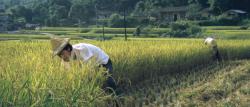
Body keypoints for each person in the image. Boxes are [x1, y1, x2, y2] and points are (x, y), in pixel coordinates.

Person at [50, 37, 117, 92]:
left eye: (62, 54)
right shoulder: (65, 59)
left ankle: (117, 97)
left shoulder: (82, 49)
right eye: (59, 55)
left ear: (68, 49)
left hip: (103, 62)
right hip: (92, 65)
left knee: (108, 81)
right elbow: (66, 74)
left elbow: (89, 71)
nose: (62, 57)